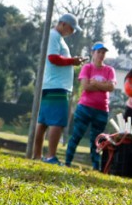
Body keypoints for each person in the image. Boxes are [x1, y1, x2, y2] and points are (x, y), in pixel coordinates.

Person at [32, 12, 86, 164]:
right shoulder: (54, 36)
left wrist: (71, 61)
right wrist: (72, 61)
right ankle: (50, 156)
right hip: (57, 86)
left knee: (43, 121)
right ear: (63, 24)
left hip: (51, 84)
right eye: (71, 28)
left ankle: (37, 155)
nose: (73, 32)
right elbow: (53, 58)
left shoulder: (57, 38)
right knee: (57, 121)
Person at [64, 42, 115, 169]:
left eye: (103, 53)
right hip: (85, 108)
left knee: (97, 141)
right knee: (76, 136)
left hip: (102, 110)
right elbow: (86, 86)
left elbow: (111, 87)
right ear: (93, 53)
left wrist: (95, 83)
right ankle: (67, 162)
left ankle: (95, 167)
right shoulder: (87, 68)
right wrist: (102, 85)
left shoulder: (109, 70)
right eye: (99, 52)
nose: (101, 55)